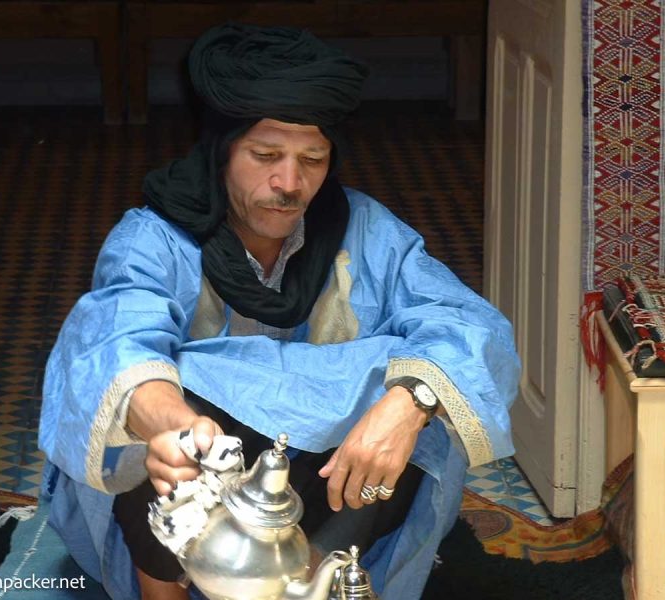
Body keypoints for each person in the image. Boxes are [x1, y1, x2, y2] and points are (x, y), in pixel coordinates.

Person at [39, 23, 520, 600]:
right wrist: (170, 425)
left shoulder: (365, 229)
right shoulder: (153, 238)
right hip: (197, 490)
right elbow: (117, 339)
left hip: (317, 488)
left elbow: (468, 324)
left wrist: (407, 404)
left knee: (428, 387)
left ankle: (303, 578)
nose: (290, 184)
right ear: (221, 151)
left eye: (312, 159)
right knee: (149, 394)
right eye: (265, 156)